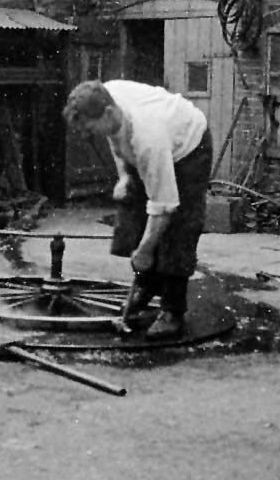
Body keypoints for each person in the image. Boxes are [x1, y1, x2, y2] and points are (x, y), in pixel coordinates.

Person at [63, 79, 212, 340]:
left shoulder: (148, 137)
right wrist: (124, 177)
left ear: (108, 112)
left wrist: (144, 251)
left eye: (91, 128)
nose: (90, 135)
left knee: (179, 228)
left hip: (188, 148)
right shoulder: (106, 98)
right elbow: (114, 139)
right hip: (151, 142)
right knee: (131, 208)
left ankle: (172, 311)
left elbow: (164, 206)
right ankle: (146, 284)